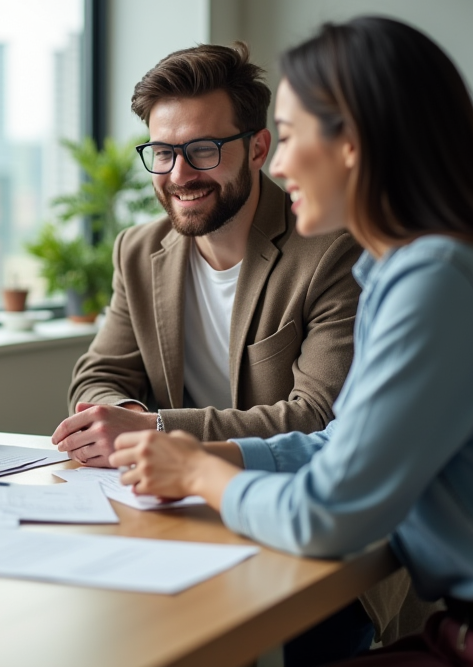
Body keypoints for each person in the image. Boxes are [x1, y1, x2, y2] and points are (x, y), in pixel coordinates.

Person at [112, 17, 473, 667]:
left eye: (292, 136)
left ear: (352, 143)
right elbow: (339, 444)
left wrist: (199, 473)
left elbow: (327, 517)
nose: (283, 161)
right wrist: (217, 453)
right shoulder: (409, 268)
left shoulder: (439, 281)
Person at [50, 42, 421, 663]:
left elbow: (321, 417)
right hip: (178, 515)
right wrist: (113, 417)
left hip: (312, 527)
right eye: (162, 152)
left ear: (256, 147)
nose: (178, 174)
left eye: (201, 150)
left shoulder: (332, 248)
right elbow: (100, 374)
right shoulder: (139, 250)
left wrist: (156, 429)